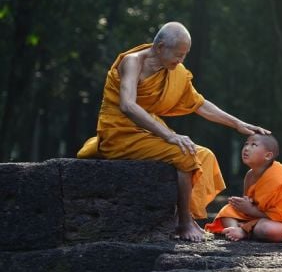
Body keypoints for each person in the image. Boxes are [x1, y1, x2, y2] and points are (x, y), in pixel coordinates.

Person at [77, 21, 269, 242]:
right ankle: (184, 222)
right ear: (159, 47)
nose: (181, 61)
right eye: (178, 54)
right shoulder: (133, 62)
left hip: (148, 129)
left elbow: (199, 103)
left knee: (204, 155)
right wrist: (169, 135)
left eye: (185, 55)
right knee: (184, 153)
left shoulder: (175, 71)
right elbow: (128, 105)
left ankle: (182, 216)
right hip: (120, 132)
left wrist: (236, 123)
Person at [205, 134, 282, 242]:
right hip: (261, 215)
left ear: (268, 155)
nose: (246, 148)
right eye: (246, 144)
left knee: (267, 229)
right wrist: (244, 204)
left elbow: (279, 216)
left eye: (254, 145)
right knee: (228, 210)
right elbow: (252, 202)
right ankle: (234, 229)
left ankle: (244, 232)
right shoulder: (250, 175)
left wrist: (250, 210)